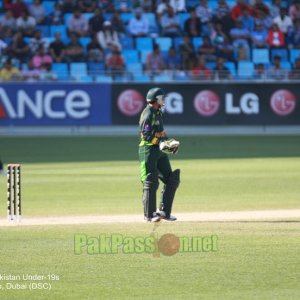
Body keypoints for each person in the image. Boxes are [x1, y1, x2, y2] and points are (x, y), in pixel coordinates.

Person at [138, 87, 180, 222]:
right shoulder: (148, 114)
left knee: (171, 179)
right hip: (148, 151)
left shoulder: (158, 112)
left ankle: (164, 212)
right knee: (150, 181)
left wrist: (168, 145)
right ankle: (149, 215)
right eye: (162, 98)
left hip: (159, 151)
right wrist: (160, 143)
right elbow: (145, 135)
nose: (163, 101)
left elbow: (161, 133)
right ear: (156, 100)